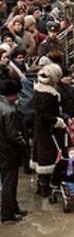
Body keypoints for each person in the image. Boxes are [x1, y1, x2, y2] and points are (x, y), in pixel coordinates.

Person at [31, 63, 67, 196]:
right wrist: (58, 121)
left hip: (39, 129)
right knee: (48, 157)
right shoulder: (49, 95)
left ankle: (41, 186)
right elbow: (45, 115)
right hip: (48, 131)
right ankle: (46, 188)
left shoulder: (38, 90)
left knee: (40, 156)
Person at [0, 78, 29, 225]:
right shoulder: (9, 111)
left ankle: (13, 207)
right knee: (9, 183)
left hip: (3, 150)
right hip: (8, 152)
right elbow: (13, 135)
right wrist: (24, 146)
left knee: (7, 181)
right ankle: (8, 214)